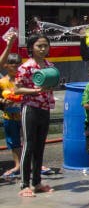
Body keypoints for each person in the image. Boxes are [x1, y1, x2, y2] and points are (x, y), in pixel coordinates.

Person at [15, 33, 56, 197]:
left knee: (40, 146)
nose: (43, 49)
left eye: (45, 45)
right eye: (39, 46)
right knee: (29, 145)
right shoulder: (26, 67)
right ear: (31, 48)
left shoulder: (49, 65)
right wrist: (35, 91)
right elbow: (17, 90)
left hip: (45, 108)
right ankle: (24, 184)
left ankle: (37, 182)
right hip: (30, 108)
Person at [0, 30, 21, 180]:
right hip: (9, 115)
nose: (15, 67)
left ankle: (31, 163)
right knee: (13, 140)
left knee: (27, 139)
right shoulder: (3, 81)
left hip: (23, 114)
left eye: (17, 64)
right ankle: (17, 164)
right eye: (11, 64)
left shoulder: (23, 79)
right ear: (7, 66)